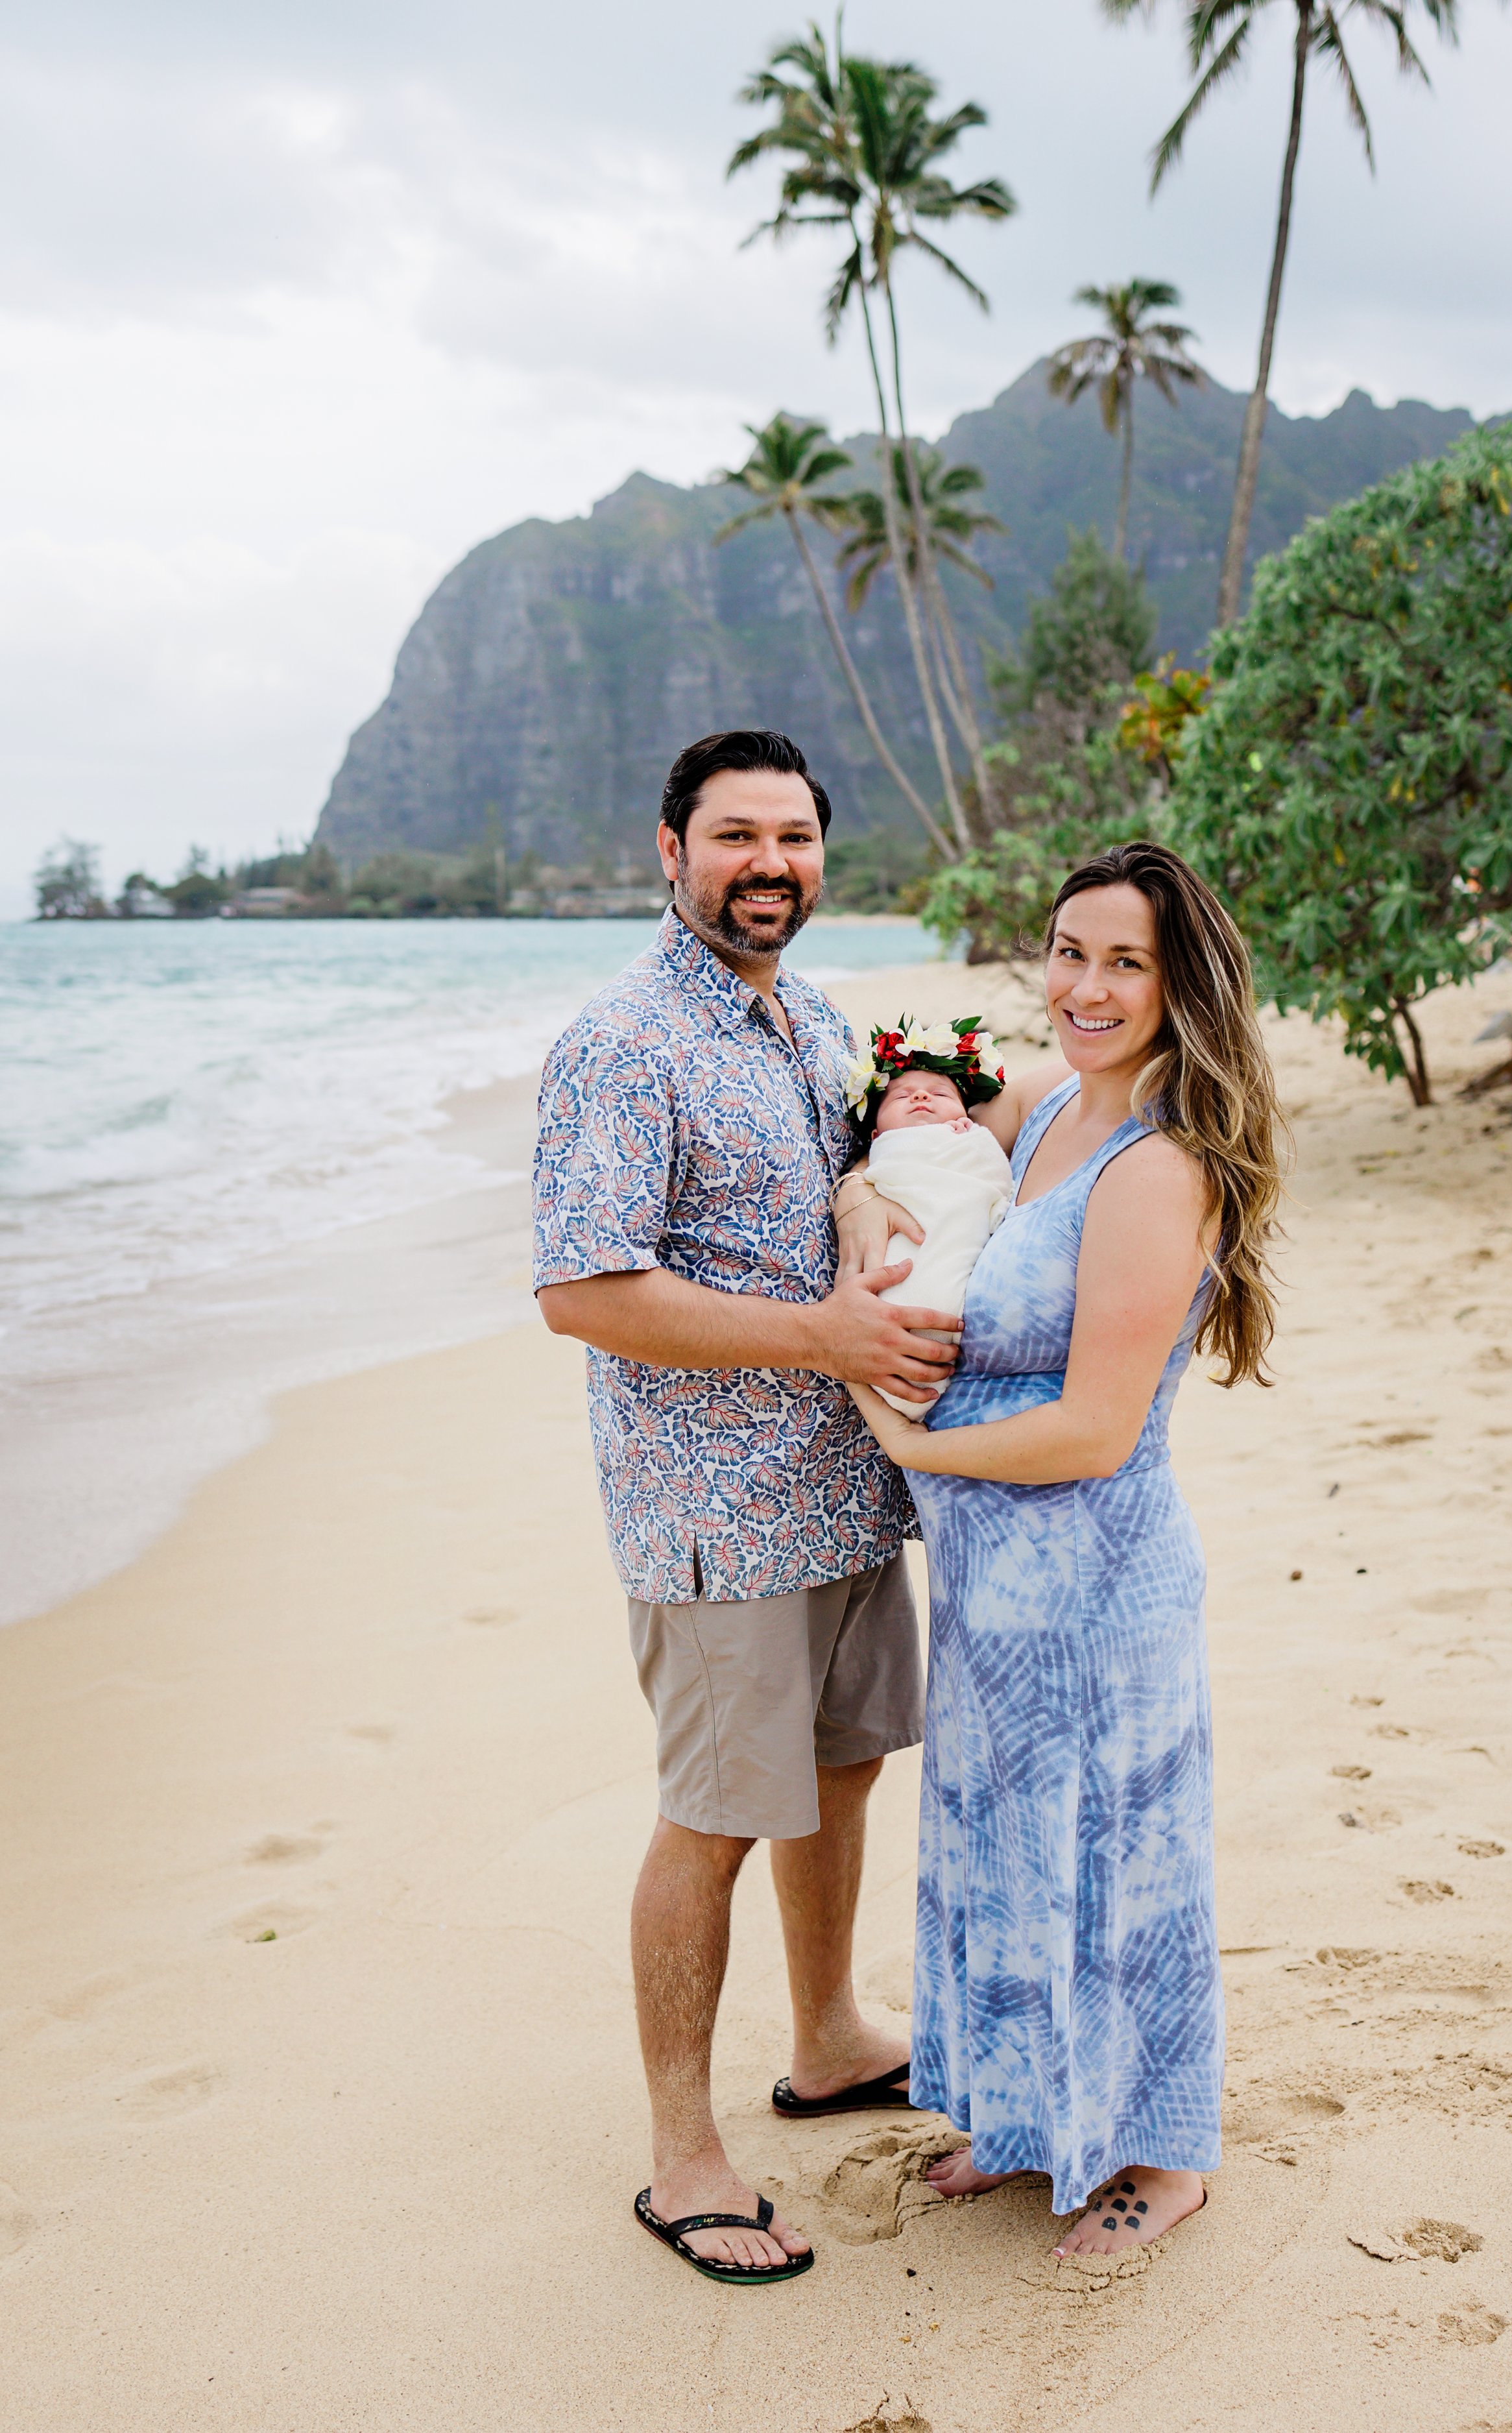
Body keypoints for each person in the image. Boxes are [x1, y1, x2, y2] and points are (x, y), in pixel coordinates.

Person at [532, 729, 959, 2286]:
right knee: (711, 1817)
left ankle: (834, 2033)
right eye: (735, 835)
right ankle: (680, 2150)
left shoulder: (814, 1018)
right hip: (714, 1513)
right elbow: (583, 1288)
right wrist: (824, 1335)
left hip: (850, 1490)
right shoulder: (624, 1040)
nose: (769, 862)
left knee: (842, 1773)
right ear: (669, 849)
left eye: (793, 835)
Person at [847, 840, 1284, 2260]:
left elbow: (1096, 1431)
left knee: (1118, 1862)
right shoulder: (1039, 1112)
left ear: (1179, 986)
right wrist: (862, 1213)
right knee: (1002, 1848)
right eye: (1068, 952)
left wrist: (913, 1451)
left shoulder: (1157, 1167)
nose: (1085, 986)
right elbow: (901, 1160)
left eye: (1124, 963)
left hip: (1097, 1582)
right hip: (990, 1587)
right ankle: (1026, 2115)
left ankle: (1160, 2161)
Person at [839, 1021, 1013, 1412]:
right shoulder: (879, 1155)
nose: (920, 1095)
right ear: (876, 1135)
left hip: (954, 1256)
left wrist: (970, 1141)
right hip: (892, 1278)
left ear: (966, 1115)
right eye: (900, 1097)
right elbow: (877, 1173)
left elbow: (995, 1183)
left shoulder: (969, 1140)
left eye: (940, 1093)